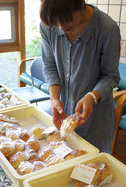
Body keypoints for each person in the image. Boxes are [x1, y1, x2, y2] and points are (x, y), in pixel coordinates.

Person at [39, 0, 121, 153]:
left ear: (80, 4)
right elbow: (49, 65)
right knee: (64, 160)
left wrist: (91, 97)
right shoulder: (49, 26)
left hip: (96, 118)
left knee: (93, 166)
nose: (62, 28)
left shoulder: (107, 29)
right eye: (57, 25)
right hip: (64, 111)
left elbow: (111, 76)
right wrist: (55, 99)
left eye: (66, 21)